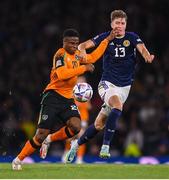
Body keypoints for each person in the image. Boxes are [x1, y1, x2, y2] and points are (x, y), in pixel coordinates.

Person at [12, 28, 115, 170]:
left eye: (76, 43)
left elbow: (92, 57)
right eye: (71, 43)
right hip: (52, 96)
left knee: (76, 127)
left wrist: (106, 40)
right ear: (64, 42)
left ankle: (50, 139)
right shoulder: (60, 54)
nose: (74, 45)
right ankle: (18, 160)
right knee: (41, 134)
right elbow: (62, 74)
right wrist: (83, 69)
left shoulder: (78, 55)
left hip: (67, 98)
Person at [64, 10, 154, 163]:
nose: (120, 26)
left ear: (126, 25)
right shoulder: (105, 37)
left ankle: (76, 145)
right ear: (111, 24)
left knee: (98, 125)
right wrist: (83, 55)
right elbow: (83, 46)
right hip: (107, 83)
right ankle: (105, 146)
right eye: (117, 23)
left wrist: (147, 55)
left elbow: (142, 48)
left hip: (125, 87)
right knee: (117, 106)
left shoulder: (132, 37)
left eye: (122, 23)